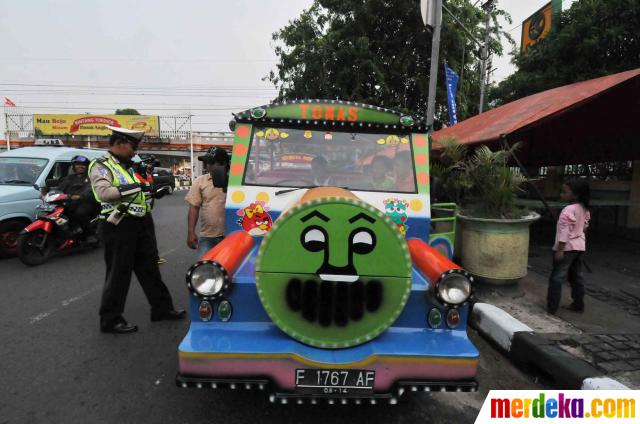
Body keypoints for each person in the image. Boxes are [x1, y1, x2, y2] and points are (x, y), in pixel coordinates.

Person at [89, 125, 185, 334]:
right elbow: (105, 193)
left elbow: (138, 192)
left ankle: (161, 309)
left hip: (141, 222)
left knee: (150, 268)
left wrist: (150, 192)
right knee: (119, 273)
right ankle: (110, 320)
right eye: (133, 146)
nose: (135, 151)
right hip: (118, 225)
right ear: (120, 143)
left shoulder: (127, 166)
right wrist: (138, 187)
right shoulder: (101, 165)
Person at [547, 179, 591, 315]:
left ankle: (551, 308)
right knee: (576, 276)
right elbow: (584, 227)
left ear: (576, 195)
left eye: (565, 192)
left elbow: (564, 231)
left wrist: (560, 250)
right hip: (579, 247)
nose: (562, 194)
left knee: (556, 277)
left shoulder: (568, 210)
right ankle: (578, 305)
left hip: (566, 248)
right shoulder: (584, 208)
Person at [186, 147, 229, 258]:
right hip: (208, 237)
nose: (207, 165)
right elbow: (194, 207)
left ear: (223, 163)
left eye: (211, 162)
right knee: (203, 270)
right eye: (206, 162)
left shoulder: (236, 181)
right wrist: (191, 232)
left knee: (229, 271)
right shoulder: (200, 181)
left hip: (231, 237)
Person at [58, 155, 100, 239]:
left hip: (86, 202)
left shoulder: (91, 177)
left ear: (87, 166)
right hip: (69, 202)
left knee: (80, 213)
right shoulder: (68, 178)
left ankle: (89, 235)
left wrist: (80, 196)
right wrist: (47, 193)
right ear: (73, 166)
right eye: (77, 164)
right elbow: (59, 188)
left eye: (83, 164)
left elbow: (90, 189)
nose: (80, 166)